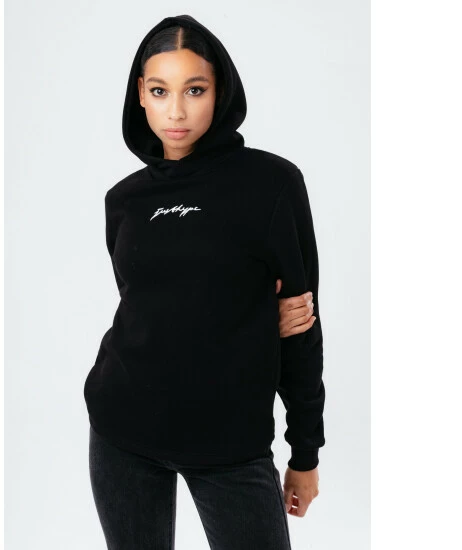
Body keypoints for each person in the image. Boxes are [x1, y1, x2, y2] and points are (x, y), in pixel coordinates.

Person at [84, 14, 325, 550]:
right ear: (140, 96)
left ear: (221, 92)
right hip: (122, 429)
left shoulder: (272, 185)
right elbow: (152, 307)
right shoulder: (124, 200)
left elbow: (302, 328)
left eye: (194, 90)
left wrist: (305, 453)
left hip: (230, 446)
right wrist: (249, 313)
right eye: (159, 91)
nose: (176, 110)